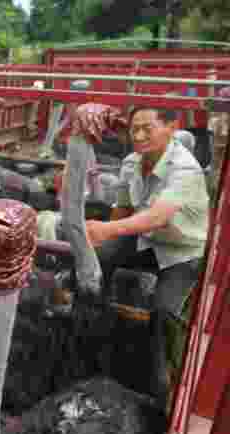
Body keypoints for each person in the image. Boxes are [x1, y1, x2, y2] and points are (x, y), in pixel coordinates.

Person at [84, 105, 210, 404]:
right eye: (134, 129)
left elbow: (156, 218)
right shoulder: (130, 162)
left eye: (147, 128)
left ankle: (165, 387)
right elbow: (123, 208)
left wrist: (106, 229)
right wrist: (105, 239)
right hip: (146, 241)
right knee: (96, 261)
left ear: (170, 127)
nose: (139, 136)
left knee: (163, 312)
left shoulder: (185, 169)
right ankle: (92, 328)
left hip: (182, 250)